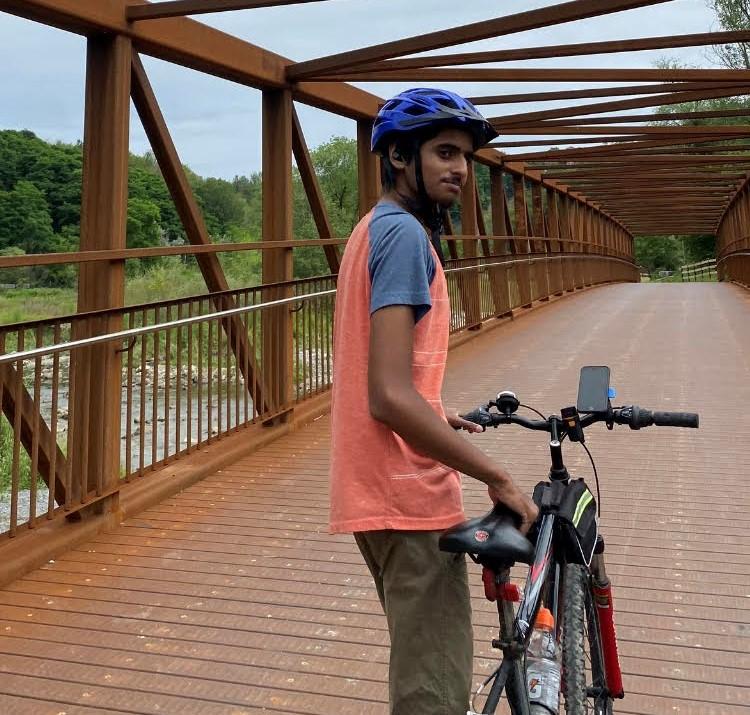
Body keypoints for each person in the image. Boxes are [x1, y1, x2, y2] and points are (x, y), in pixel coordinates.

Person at [329, 88, 539, 715]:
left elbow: (387, 378)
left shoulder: (374, 228)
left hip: (373, 483)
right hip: (406, 493)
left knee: (423, 666)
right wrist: (499, 477)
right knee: (433, 694)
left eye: (466, 157)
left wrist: (428, 403)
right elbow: (388, 397)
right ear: (398, 155)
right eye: (444, 152)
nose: (459, 169)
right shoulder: (403, 238)